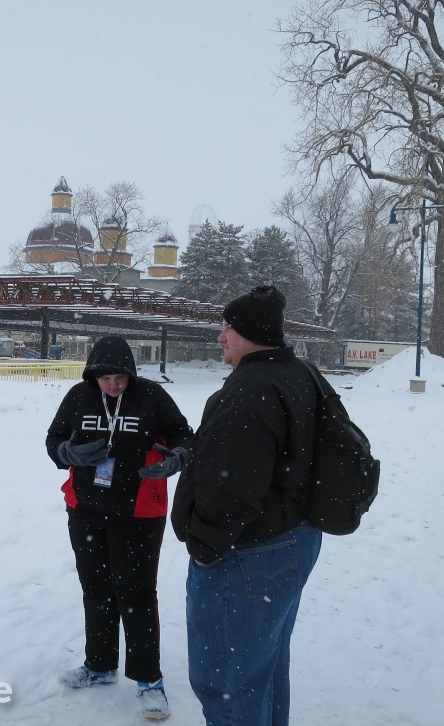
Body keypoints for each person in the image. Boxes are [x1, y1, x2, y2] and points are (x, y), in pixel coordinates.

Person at [171, 286, 321, 726]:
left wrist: (204, 548)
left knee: (228, 680)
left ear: (250, 333)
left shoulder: (249, 391)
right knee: (263, 667)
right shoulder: (301, 374)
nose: (221, 337)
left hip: (248, 554)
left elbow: (230, 489)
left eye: (227, 328)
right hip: (294, 539)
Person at [47, 335, 193, 720]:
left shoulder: (152, 397)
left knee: (137, 593)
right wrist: (66, 452)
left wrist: (177, 457)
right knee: (95, 589)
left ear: (131, 374)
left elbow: (183, 435)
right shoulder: (79, 397)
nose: (113, 385)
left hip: (139, 510)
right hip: (86, 509)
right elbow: (54, 438)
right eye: (105, 378)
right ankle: (99, 666)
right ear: (93, 375)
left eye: (120, 378)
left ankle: (149, 680)